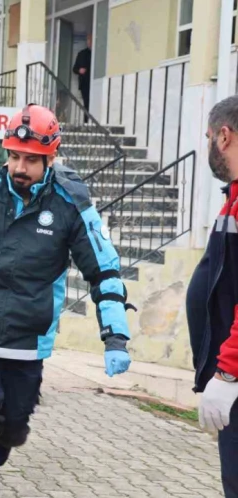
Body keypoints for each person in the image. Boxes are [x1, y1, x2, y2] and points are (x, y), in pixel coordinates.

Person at [0, 104, 135, 498]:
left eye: (31, 160)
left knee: (11, 429)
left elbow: (103, 269)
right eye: (15, 157)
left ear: (50, 158)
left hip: (28, 339)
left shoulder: (71, 205)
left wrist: (115, 335)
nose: (20, 167)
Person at [187, 94, 238, 498]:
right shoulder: (232, 198)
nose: (208, 146)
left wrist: (228, 373)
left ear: (224, 136)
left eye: (208, 138)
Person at [72, 34, 92, 123]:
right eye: (88, 40)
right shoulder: (82, 54)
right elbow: (74, 69)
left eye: (91, 40)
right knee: (86, 103)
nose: (89, 42)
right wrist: (79, 70)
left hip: (95, 83)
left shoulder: (98, 54)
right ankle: (86, 122)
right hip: (85, 83)